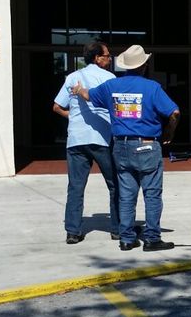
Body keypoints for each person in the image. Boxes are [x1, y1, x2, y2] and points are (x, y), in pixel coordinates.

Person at [71, 45, 180, 252]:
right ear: (144, 66)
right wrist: (169, 133)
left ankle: (127, 238)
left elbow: (88, 95)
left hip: (120, 146)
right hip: (147, 144)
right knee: (152, 194)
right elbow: (174, 112)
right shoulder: (152, 87)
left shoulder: (111, 86)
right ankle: (152, 238)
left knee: (127, 194)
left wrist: (77, 90)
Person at [52, 41, 119, 244]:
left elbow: (56, 107)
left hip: (76, 139)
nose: (109, 58)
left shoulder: (72, 77)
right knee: (115, 184)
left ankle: (72, 231)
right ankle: (117, 229)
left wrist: (74, 118)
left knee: (75, 187)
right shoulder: (110, 78)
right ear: (98, 58)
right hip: (102, 138)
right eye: (107, 55)